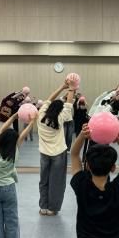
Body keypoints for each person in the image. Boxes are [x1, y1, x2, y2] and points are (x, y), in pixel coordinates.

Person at [38, 81, 75, 215]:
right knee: (57, 182)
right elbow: (69, 103)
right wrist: (71, 89)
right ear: (59, 110)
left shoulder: (41, 113)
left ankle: (43, 207)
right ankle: (52, 209)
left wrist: (62, 87)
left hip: (44, 153)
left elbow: (49, 98)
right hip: (58, 153)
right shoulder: (60, 118)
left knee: (44, 180)